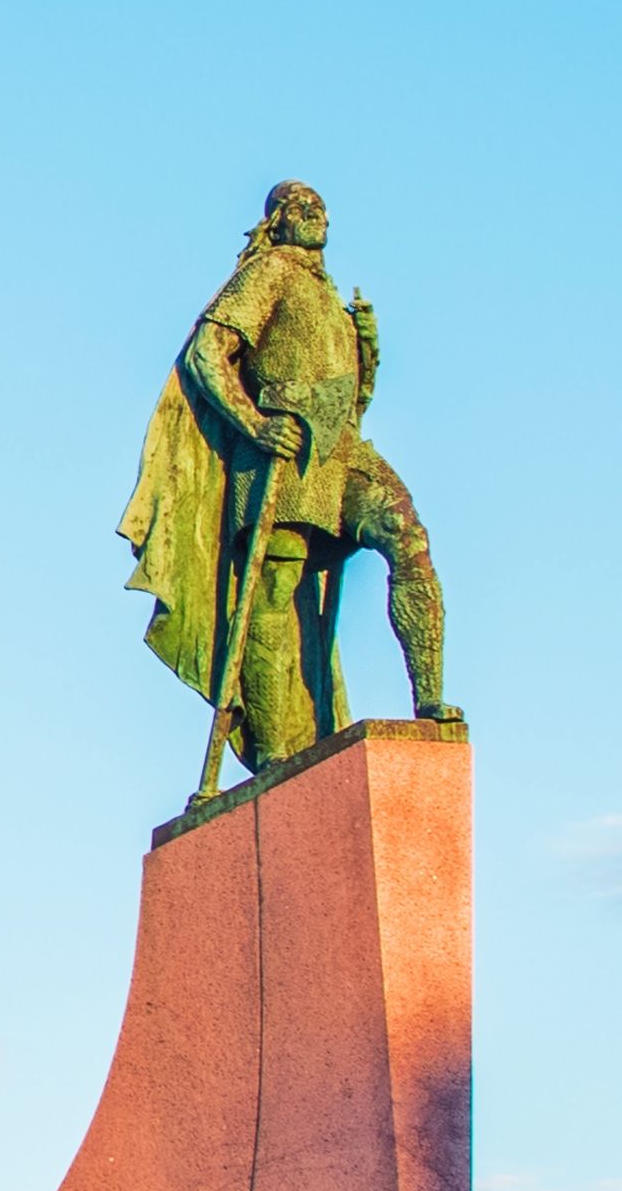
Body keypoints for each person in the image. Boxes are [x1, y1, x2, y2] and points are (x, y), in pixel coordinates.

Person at [119, 178, 455, 787]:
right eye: (300, 206)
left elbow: (354, 403)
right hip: (284, 450)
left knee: (409, 539)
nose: (316, 213)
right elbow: (206, 352)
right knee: (276, 587)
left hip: (340, 448)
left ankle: (429, 701)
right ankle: (276, 751)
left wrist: (367, 355)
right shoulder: (269, 270)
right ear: (275, 221)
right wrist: (252, 423)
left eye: (321, 205)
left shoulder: (330, 295)